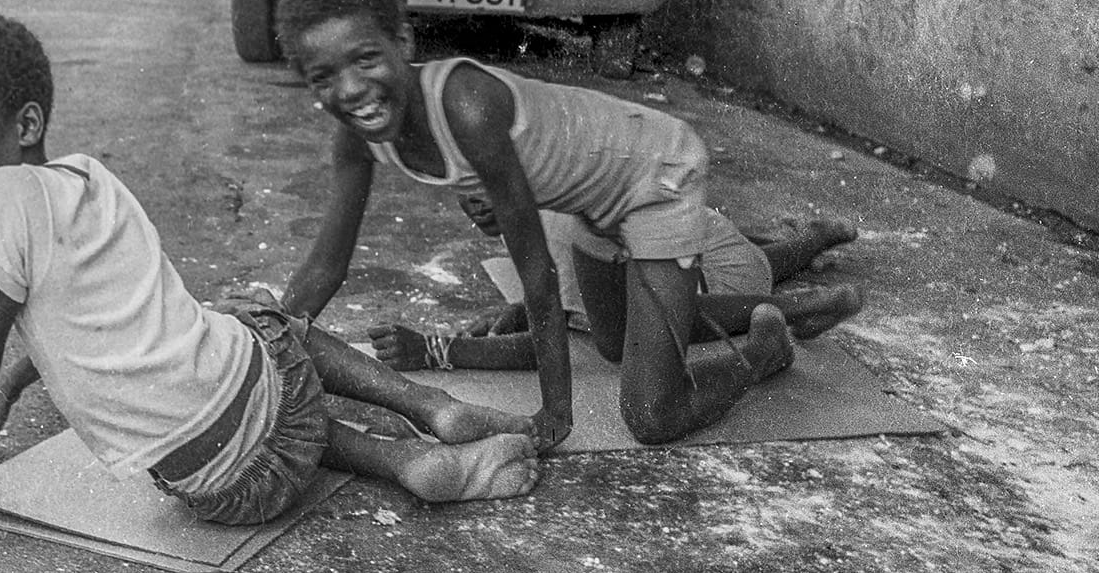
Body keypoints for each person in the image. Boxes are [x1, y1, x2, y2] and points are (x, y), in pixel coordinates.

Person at [0, 12, 539, 573]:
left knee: (240, 366)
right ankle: (426, 409)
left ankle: (404, 462)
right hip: (279, 416)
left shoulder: (4, 199)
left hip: (225, 493)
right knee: (245, 319)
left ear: (27, 125)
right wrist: (17, 378)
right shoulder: (89, 179)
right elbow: (109, 320)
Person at [274, 0, 821, 451]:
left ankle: (766, 349)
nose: (348, 90)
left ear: (404, 42)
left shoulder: (466, 104)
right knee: (611, 344)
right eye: (324, 77)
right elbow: (325, 267)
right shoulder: (356, 139)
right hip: (589, 205)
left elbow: (535, 270)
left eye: (366, 59)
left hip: (655, 174)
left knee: (653, 415)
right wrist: (264, 342)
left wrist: (555, 409)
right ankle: (733, 302)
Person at [367, 201, 864, 372]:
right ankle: (815, 238)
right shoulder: (543, 198)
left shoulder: (557, 222)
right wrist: (524, 306)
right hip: (708, 240)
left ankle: (797, 306)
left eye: (480, 189)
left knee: (637, 332)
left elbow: (548, 345)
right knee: (758, 261)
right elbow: (550, 303)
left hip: (711, 260)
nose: (472, 206)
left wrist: (438, 351)